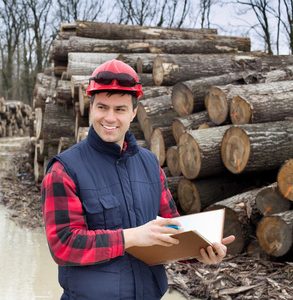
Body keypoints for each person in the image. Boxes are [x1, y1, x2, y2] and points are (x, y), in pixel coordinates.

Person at [41, 59, 235, 300]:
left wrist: (201, 249)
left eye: (120, 109)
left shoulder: (150, 164)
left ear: (133, 112)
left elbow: (171, 228)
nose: (109, 118)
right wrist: (130, 237)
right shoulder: (64, 170)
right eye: (102, 107)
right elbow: (64, 245)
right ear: (91, 108)